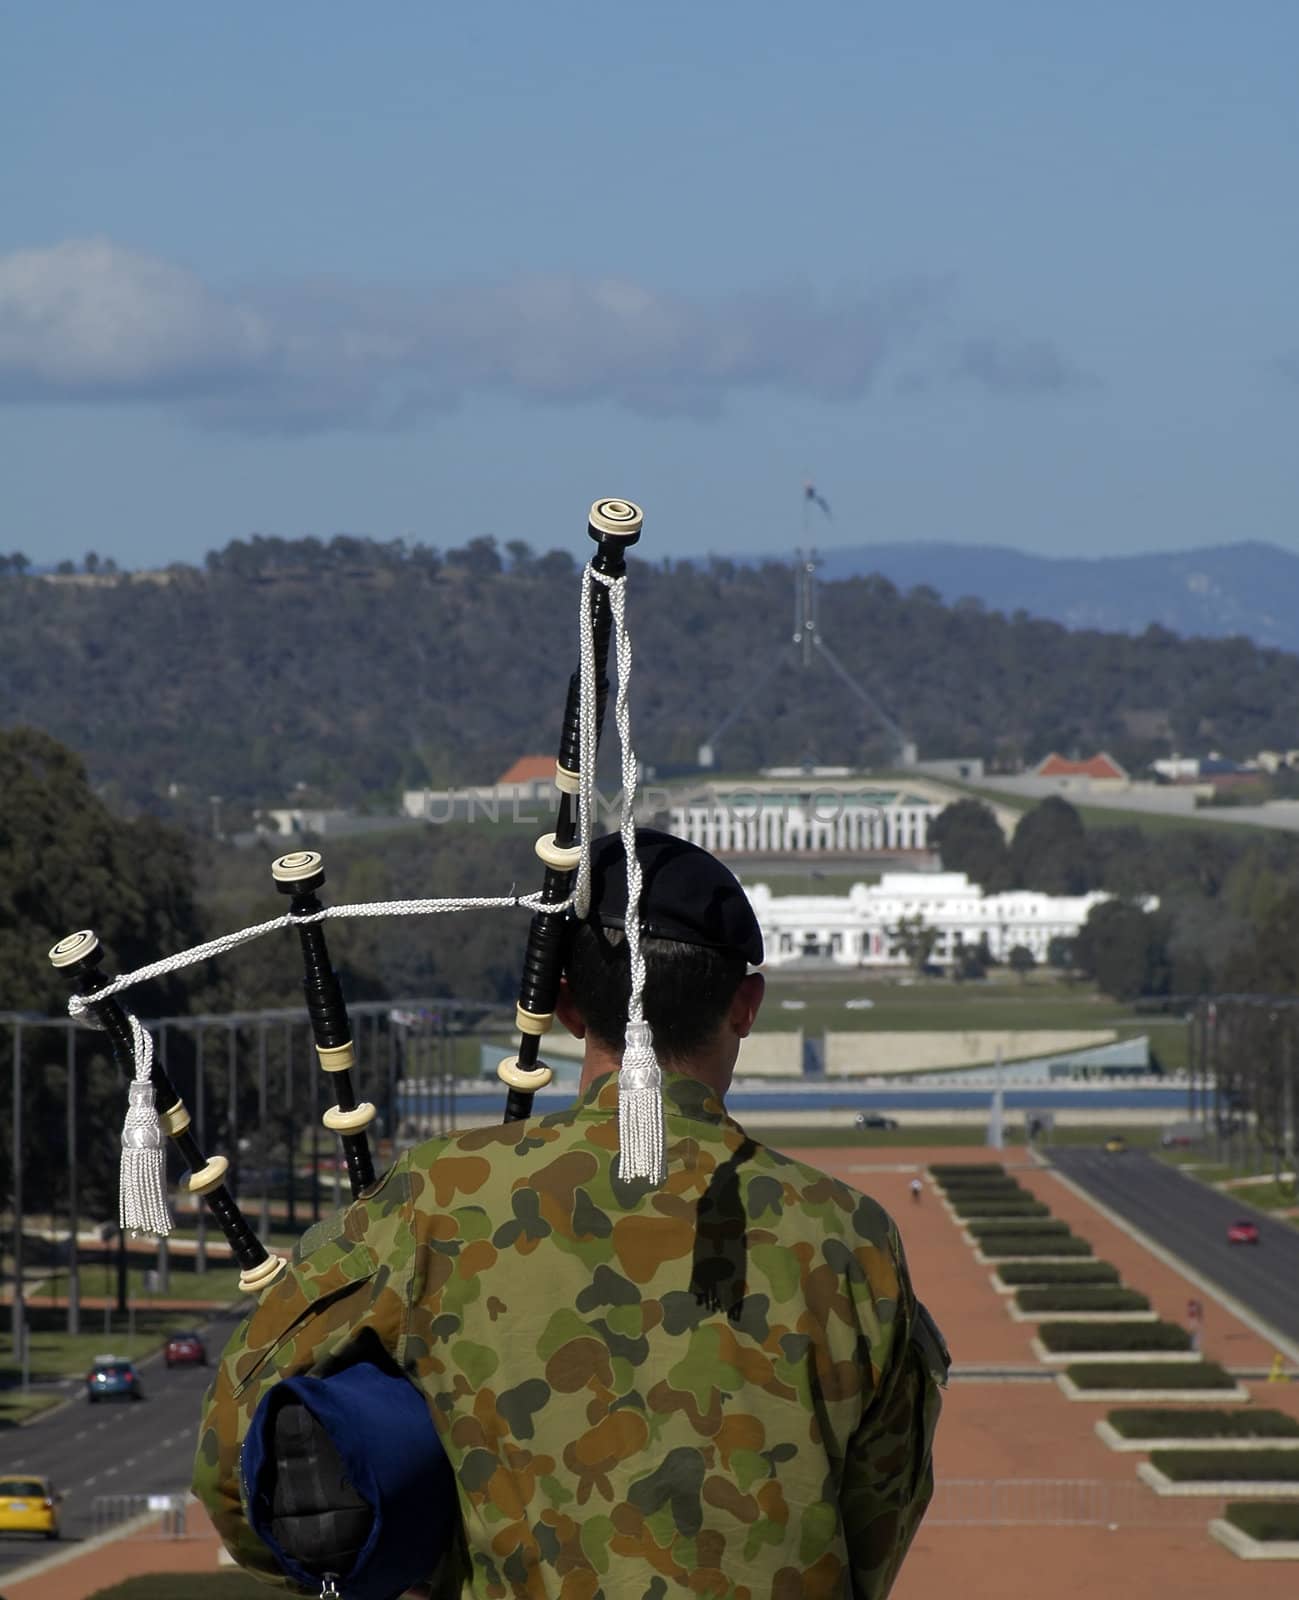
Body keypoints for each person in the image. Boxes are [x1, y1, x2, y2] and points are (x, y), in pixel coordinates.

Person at [193, 828, 947, 1598]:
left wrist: (405, 1557)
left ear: (562, 1005)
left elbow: (234, 1458)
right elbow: (875, 1526)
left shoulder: (439, 1200)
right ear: (746, 1005)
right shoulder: (849, 1237)